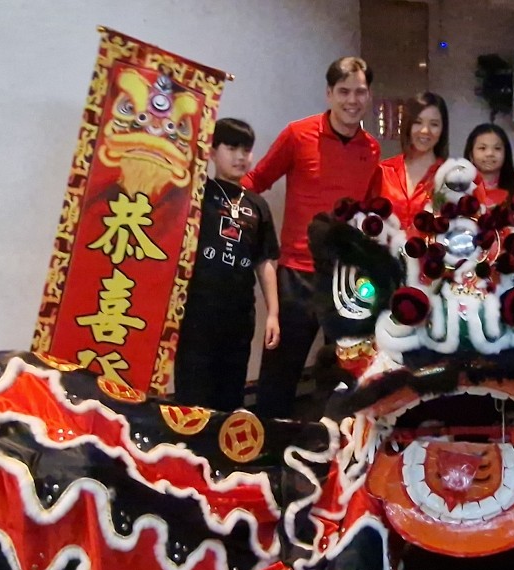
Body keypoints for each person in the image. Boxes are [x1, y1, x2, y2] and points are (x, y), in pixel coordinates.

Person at [243, 57, 381, 419]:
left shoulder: (372, 149)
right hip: (297, 274)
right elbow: (255, 181)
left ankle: (336, 450)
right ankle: (269, 448)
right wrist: (219, 211)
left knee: (346, 372)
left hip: (347, 279)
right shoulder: (297, 134)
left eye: (360, 92)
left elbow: (370, 215)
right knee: (279, 373)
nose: (352, 100)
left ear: (369, 95)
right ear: (329, 93)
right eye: (344, 91)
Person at [174, 118, 280, 411]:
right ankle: (189, 452)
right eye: (231, 148)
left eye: (246, 149)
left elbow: (265, 261)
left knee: (230, 391)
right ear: (211, 151)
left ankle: (221, 455)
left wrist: (273, 313)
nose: (240, 156)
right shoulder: (197, 194)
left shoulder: (258, 205)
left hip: (239, 315)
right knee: (193, 390)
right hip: (197, 312)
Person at [369, 92, 450, 221]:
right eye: (418, 122)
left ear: (442, 129)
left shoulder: (451, 178)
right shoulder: (384, 172)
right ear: (408, 125)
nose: (425, 131)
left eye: (434, 124)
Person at [463, 123, 514, 207]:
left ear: (506, 154)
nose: (490, 153)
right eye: (482, 148)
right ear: (471, 155)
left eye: (497, 148)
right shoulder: (459, 187)